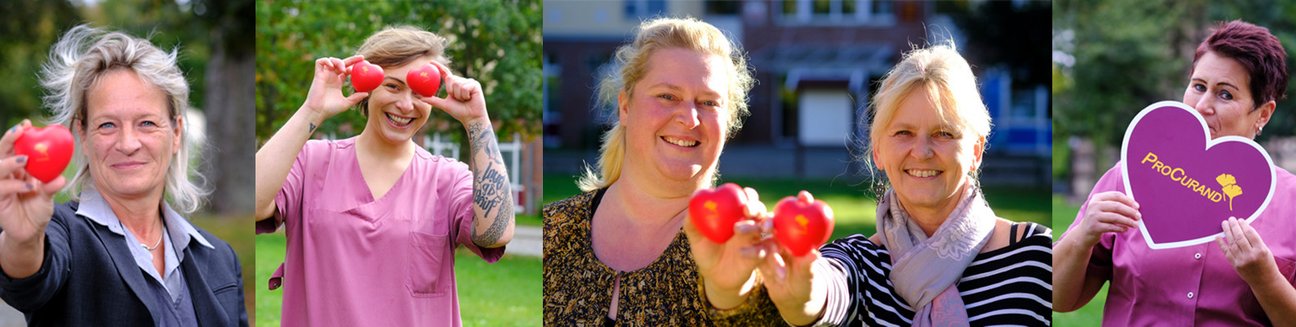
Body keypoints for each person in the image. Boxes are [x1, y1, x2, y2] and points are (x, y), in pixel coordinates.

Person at [695, 43, 1054, 326]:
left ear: (975, 151)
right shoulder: (858, 261)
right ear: (879, 151)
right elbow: (824, 291)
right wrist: (799, 294)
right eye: (903, 133)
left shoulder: (1036, 254)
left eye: (943, 133)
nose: (922, 151)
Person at [1053, 20, 1296, 326]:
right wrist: (1082, 237)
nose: (1202, 105)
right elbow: (1060, 299)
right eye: (1198, 86)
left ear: (1263, 114)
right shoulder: (1132, 177)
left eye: (1225, 95)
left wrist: (1266, 280)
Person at [254, 26, 514, 326]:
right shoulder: (312, 162)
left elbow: (496, 233)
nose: (406, 105)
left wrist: (477, 121)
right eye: (392, 86)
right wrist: (313, 110)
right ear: (366, 87)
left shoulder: (447, 179)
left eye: (419, 92)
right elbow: (253, 202)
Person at [540, 17, 783, 325]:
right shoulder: (554, 231)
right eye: (668, 96)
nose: (690, 118)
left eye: (708, 102)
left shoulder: (746, 247)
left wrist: (732, 294)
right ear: (625, 107)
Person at [0, 25, 247, 326]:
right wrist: (23, 240)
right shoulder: (61, 232)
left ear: (177, 132)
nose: (127, 144)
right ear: (83, 134)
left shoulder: (221, 257)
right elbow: (28, 284)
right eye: (107, 125)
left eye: (146, 123)